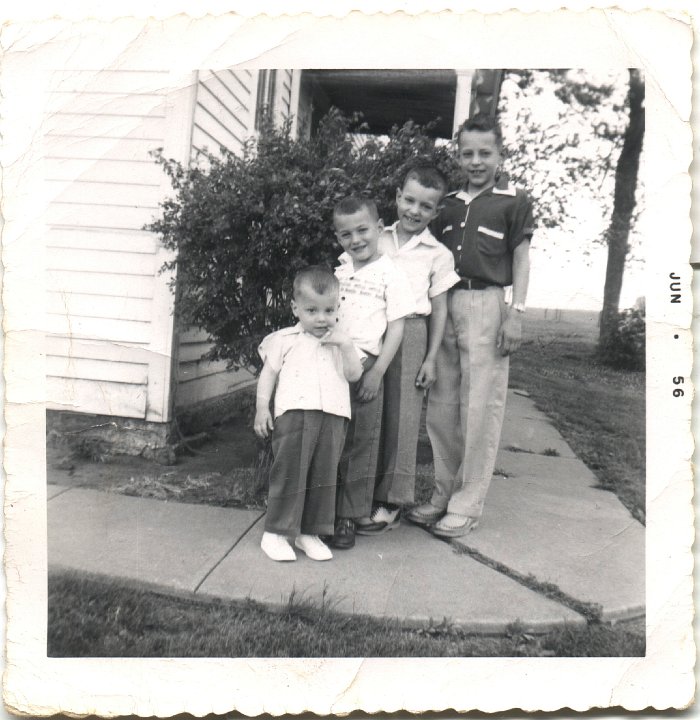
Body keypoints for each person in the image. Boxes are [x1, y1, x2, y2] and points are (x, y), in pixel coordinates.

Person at [407, 115, 534, 537]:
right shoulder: (448, 204)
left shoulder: (513, 200)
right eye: (467, 153)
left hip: (487, 304)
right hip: (444, 304)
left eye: (485, 153)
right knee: (442, 407)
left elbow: (520, 258)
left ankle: (468, 502)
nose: (476, 161)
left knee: (479, 408)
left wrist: (517, 312)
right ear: (458, 155)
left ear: (500, 154)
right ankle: (443, 494)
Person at [357, 164, 459, 536]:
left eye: (426, 206)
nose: (415, 211)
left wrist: (431, 357)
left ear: (436, 212)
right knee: (368, 410)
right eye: (410, 200)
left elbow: (441, 309)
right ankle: (360, 493)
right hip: (371, 326)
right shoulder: (377, 239)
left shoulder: (437, 254)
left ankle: (391, 500)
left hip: (412, 332)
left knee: (402, 417)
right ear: (398, 197)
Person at [253, 265, 364, 562]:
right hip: (295, 414)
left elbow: (354, 375)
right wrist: (262, 407)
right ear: (295, 308)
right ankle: (276, 532)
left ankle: (309, 532)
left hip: (334, 416)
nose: (321, 318)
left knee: (323, 475)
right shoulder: (285, 339)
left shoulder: (342, 341)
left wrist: (346, 346)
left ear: (337, 308)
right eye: (312, 310)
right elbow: (268, 374)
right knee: (290, 472)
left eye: (328, 310)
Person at [331, 196, 415, 549]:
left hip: (366, 364)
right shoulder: (340, 271)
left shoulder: (391, 274)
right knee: (330, 437)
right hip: (330, 362)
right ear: (338, 238)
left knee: (361, 441)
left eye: (363, 230)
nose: (356, 240)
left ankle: (349, 514)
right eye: (346, 234)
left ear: (380, 229)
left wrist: (377, 371)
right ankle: (320, 509)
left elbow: (396, 329)